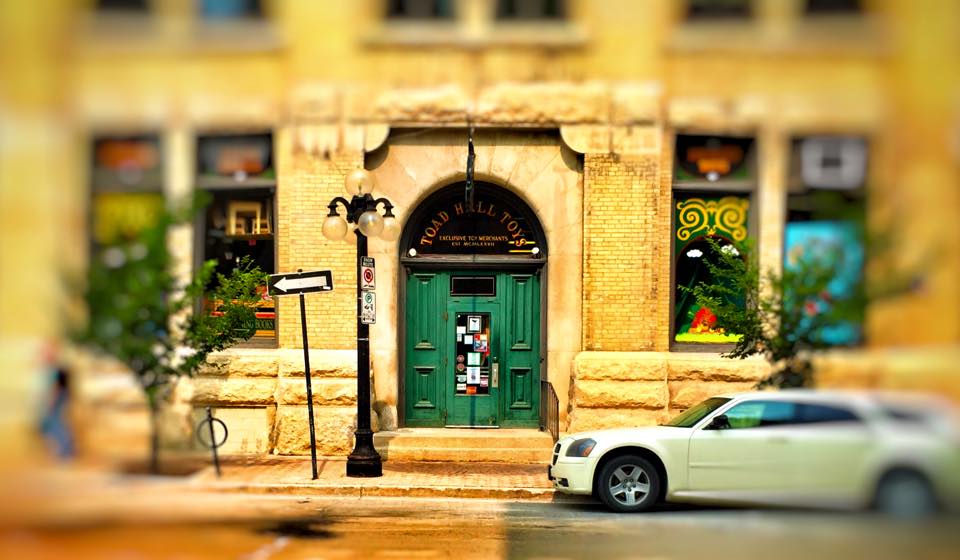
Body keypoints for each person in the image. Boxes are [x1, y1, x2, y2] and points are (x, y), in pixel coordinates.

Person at [39, 344, 74, 459]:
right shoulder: (57, 368)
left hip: (57, 398)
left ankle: (66, 451)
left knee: (55, 424)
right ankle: (64, 450)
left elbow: (56, 388)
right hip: (60, 397)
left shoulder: (57, 369)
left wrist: (50, 401)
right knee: (54, 424)